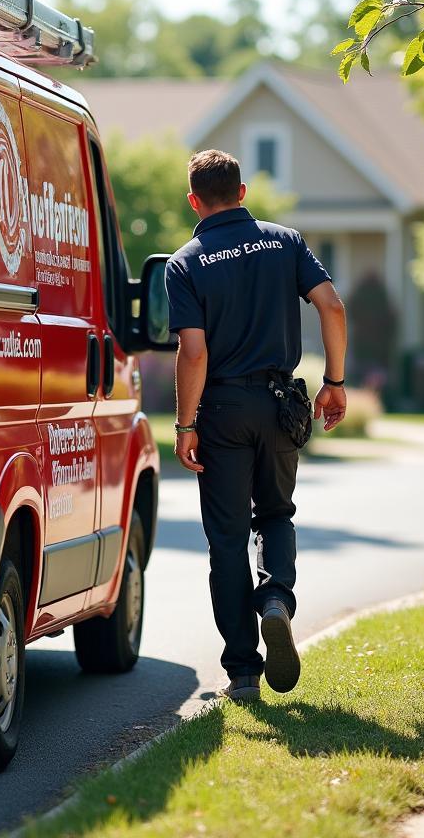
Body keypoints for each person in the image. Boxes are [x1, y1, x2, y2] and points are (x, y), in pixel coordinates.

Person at [164, 149, 348, 703]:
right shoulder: (285, 242)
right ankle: (276, 601)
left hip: (220, 413)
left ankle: (243, 672)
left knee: (226, 540)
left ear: (194, 200)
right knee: (275, 514)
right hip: (279, 406)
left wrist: (184, 424)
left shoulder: (185, 263)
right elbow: (332, 307)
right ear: (242, 193)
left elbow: (193, 353)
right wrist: (334, 381)